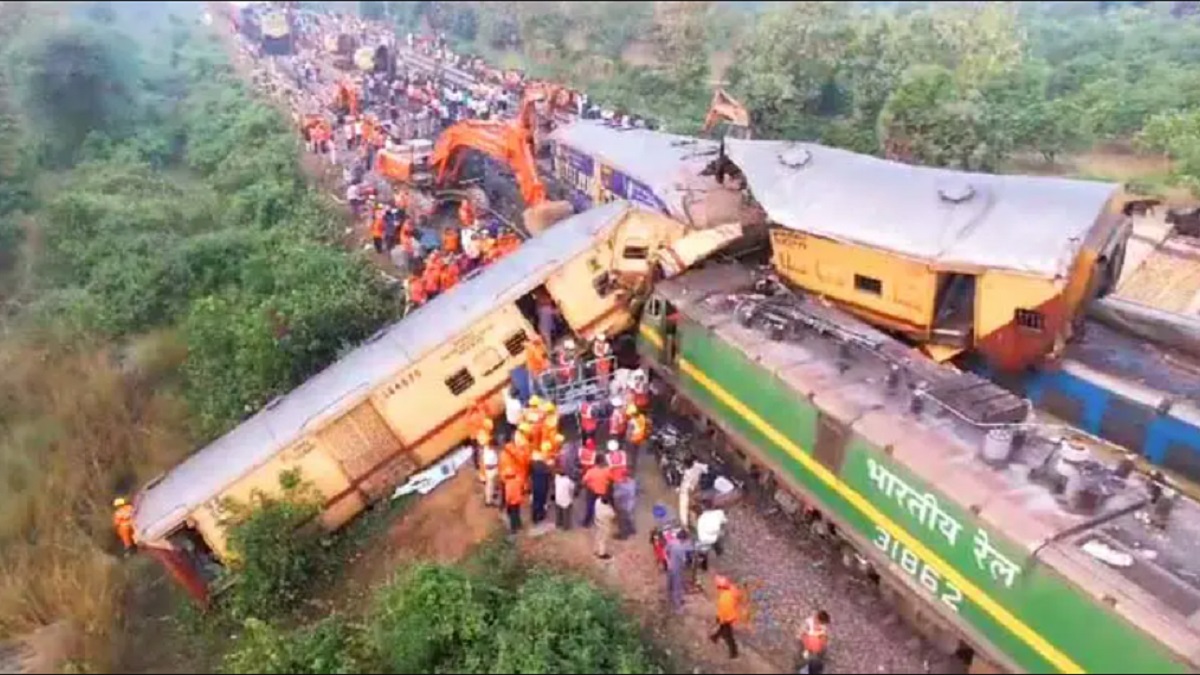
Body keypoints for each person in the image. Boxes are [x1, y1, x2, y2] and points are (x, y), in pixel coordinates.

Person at [710, 576, 740, 660]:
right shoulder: (731, 592)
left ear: (720, 587)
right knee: (723, 628)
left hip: (726, 618)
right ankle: (715, 637)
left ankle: (734, 652)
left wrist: (720, 619)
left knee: (728, 635)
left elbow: (723, 612)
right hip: (732, 615)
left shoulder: (723, 599)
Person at [665, 529, 693, 613]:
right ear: (683, 539)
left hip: (670, 567)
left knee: (670, 584)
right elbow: (684, 561)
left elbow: (665, 551)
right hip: (677, 569)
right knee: (677, 587)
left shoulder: (672, 542)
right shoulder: (680, 548)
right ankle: (678, 607)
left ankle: (669, 600)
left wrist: (668, 561)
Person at [581, 457, 612, 528]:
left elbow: (583, 481)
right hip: (602, 492)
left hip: (591, 491)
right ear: (602, 462)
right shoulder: (607, 471)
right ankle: (600, 522)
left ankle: (586, 523)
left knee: (590, 507)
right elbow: (611, 479)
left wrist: (587, 485)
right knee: (601, 508)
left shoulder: (591, 471)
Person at [695, 505, 728, 570]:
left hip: (704, 540)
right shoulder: (718, 514)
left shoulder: (702, 517)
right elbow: (716, 529)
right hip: (711, 540)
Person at [678, 459, 709, 528]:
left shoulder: (689, 471)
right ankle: (687, 523)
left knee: (685, 507)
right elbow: (706, 468)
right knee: (688, 506)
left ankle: (686, 524)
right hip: (691, 488)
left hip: (688, 490)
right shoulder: (697, 466)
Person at [612, 472, 637, 540]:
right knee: (630, 517)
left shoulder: (622, 485)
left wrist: (616, 486)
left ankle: (623, 535)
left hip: (623, 505)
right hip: (631, 503)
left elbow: (617, 496)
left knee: (622, 521)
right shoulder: (632, 482)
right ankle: (632, 530)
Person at [530, 448, 552, 524]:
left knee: (535, 501)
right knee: (542, 501)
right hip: (543, 486)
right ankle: (541, 515)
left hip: (535, 486)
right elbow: (549, 475)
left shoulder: (532, 465)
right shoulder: (544, 465)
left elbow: (530, 475)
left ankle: (534, 517)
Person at [593, 494, 616, 560]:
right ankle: (602, 554)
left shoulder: (597, 501)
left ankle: (596, 550)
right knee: (603, 539)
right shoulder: (609, 511)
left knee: (598, 536)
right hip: (605, 524)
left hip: (597, 520)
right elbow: (613, 516)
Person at [554, 465, 576, 530]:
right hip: (566, 501)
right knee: (566, 514)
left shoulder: (557, 478)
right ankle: (565, 527)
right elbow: (572, 487)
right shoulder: (568, 481)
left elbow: (557, 474)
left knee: (558, 512)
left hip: (558, 499)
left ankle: (558, 524)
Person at [504, 468, 525, 534]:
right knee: (517, 513)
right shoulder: (518, 481)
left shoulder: (508, 484)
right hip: (518, 500)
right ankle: (519, 525)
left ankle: (513, 529)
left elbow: (508, 495)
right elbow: (522, 489)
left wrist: (507, 502)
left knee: (512, 516)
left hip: (511, 502)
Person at [481, 436, 500, 507]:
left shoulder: (487, 449)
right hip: (491, 471)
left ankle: (492, 495)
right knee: (490, 486)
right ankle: (489, 501)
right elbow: (487, 465)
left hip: (493, 470)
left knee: (493, 484)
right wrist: (496, 466)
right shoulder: (489, 454)